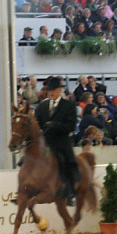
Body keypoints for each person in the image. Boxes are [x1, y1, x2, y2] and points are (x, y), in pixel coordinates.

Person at [34, 76, 79, 205]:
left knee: (69, 163)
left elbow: (71, 126)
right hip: (46, 141)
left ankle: (71, 193)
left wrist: (56, 125)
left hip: (62, 141)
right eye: (49, 90)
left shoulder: (69, 105)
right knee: (26, 160)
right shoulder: (42, 106)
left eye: (53, 90)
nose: (50, 92)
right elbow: (37, 123)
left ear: (59, 90)